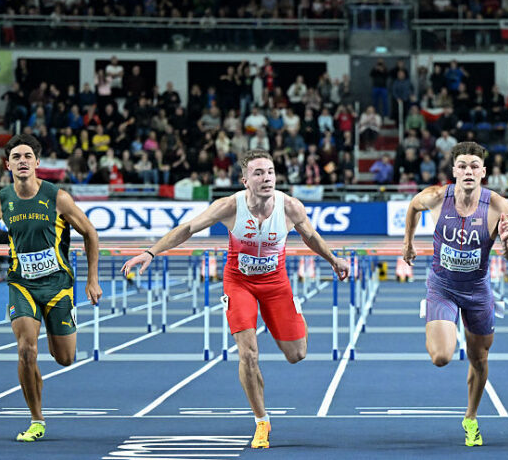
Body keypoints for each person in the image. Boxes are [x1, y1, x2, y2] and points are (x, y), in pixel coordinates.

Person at [121, 149, 349, 449]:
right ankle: (262, 422)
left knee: (297, 354)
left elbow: (310, 235)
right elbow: (188, 228)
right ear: (245, 180)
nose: (266, 177)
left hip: (276, 283)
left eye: (270, 172)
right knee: (248, 354)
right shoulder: (229, 206)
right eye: (258, 173)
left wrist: (333, 259)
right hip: (238, 283)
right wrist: (151, 251)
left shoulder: (290, 207)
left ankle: (290, 315)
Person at [0, 133, 102, 442]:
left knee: (65, 358)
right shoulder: (0, 200)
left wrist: (92, 279)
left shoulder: (58, 197)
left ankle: (57, 342)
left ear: (37, 163)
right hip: (22, 284)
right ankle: (36, 419)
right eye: (17, 157)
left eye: (28, 156)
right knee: (26, 349)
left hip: (57, 286)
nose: (22, 161)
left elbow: (90, 233)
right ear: (8, 164)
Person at [402, 141, 508, 447]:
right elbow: (413, 206)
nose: (468, 171)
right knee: (441, 356)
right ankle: (440, 321)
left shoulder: (498, 207)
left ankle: (470, 418)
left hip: (478, 291)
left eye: (474, 166)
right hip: (442, 286)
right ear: (454, 171)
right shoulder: (437, 197)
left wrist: (506, 243)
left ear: (483, 172)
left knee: (479, 358)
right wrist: (409, 241)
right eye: (463, 166)